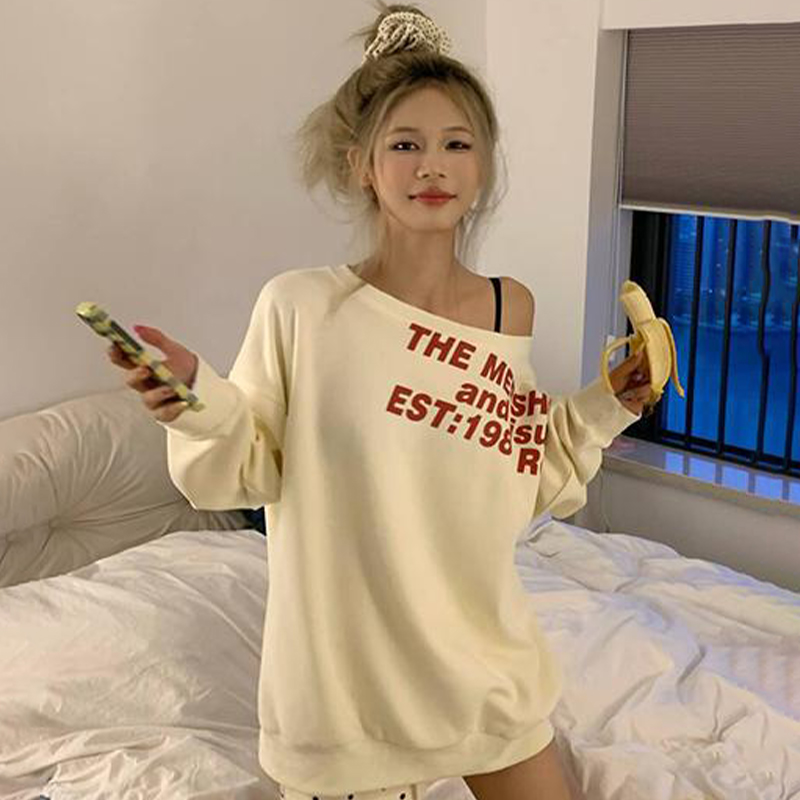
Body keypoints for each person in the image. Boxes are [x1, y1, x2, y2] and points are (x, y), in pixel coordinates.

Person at [108, 3, 653, 799]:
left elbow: (518, 467)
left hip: (480, 655)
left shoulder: (511, 308)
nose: (432, 167)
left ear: (482, 167)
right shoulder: (302, 306)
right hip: (344, 685)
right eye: (405, 145)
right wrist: (197, 402)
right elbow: (252, 464)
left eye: (456, 144)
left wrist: (610, 401)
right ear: (361, 165)